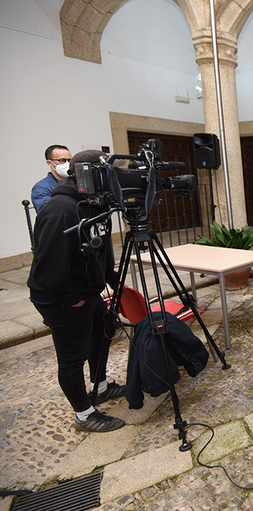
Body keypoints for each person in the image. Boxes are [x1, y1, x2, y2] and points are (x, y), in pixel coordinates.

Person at [27, 150, 126, 432]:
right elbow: (49, 269)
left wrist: (110, 277)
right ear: (91, 176)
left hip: (86, 290)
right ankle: (84, 414)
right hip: (60, 297)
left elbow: (101, 244)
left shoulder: (92, 204)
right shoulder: (60, 211)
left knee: (101, 336)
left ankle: (101, 387)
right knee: (72, 357)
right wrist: (74, 301)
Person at [31, 144, 72, 212]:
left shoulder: (77, 182)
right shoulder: (41, 188)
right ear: (50, 163)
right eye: (62, 160)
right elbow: (49, 211)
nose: (67, 164)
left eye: (69, 160)